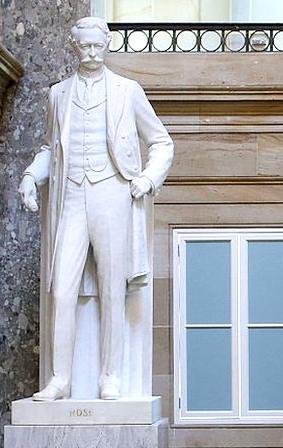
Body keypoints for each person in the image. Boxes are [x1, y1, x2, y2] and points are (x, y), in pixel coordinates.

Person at [19, 16, 174, 401]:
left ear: (106, 45)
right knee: (62, 290)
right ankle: (60, 379)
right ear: (75, 46)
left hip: (112, 192)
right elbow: (50, 149)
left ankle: (110, 376)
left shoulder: (127, 90)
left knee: (111, 289)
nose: (92, 53)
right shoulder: (58, 94)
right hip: (71, 196)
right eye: (85, 46)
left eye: (98, 46)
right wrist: (29, 176)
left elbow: (162, 142)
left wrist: (147, 179)